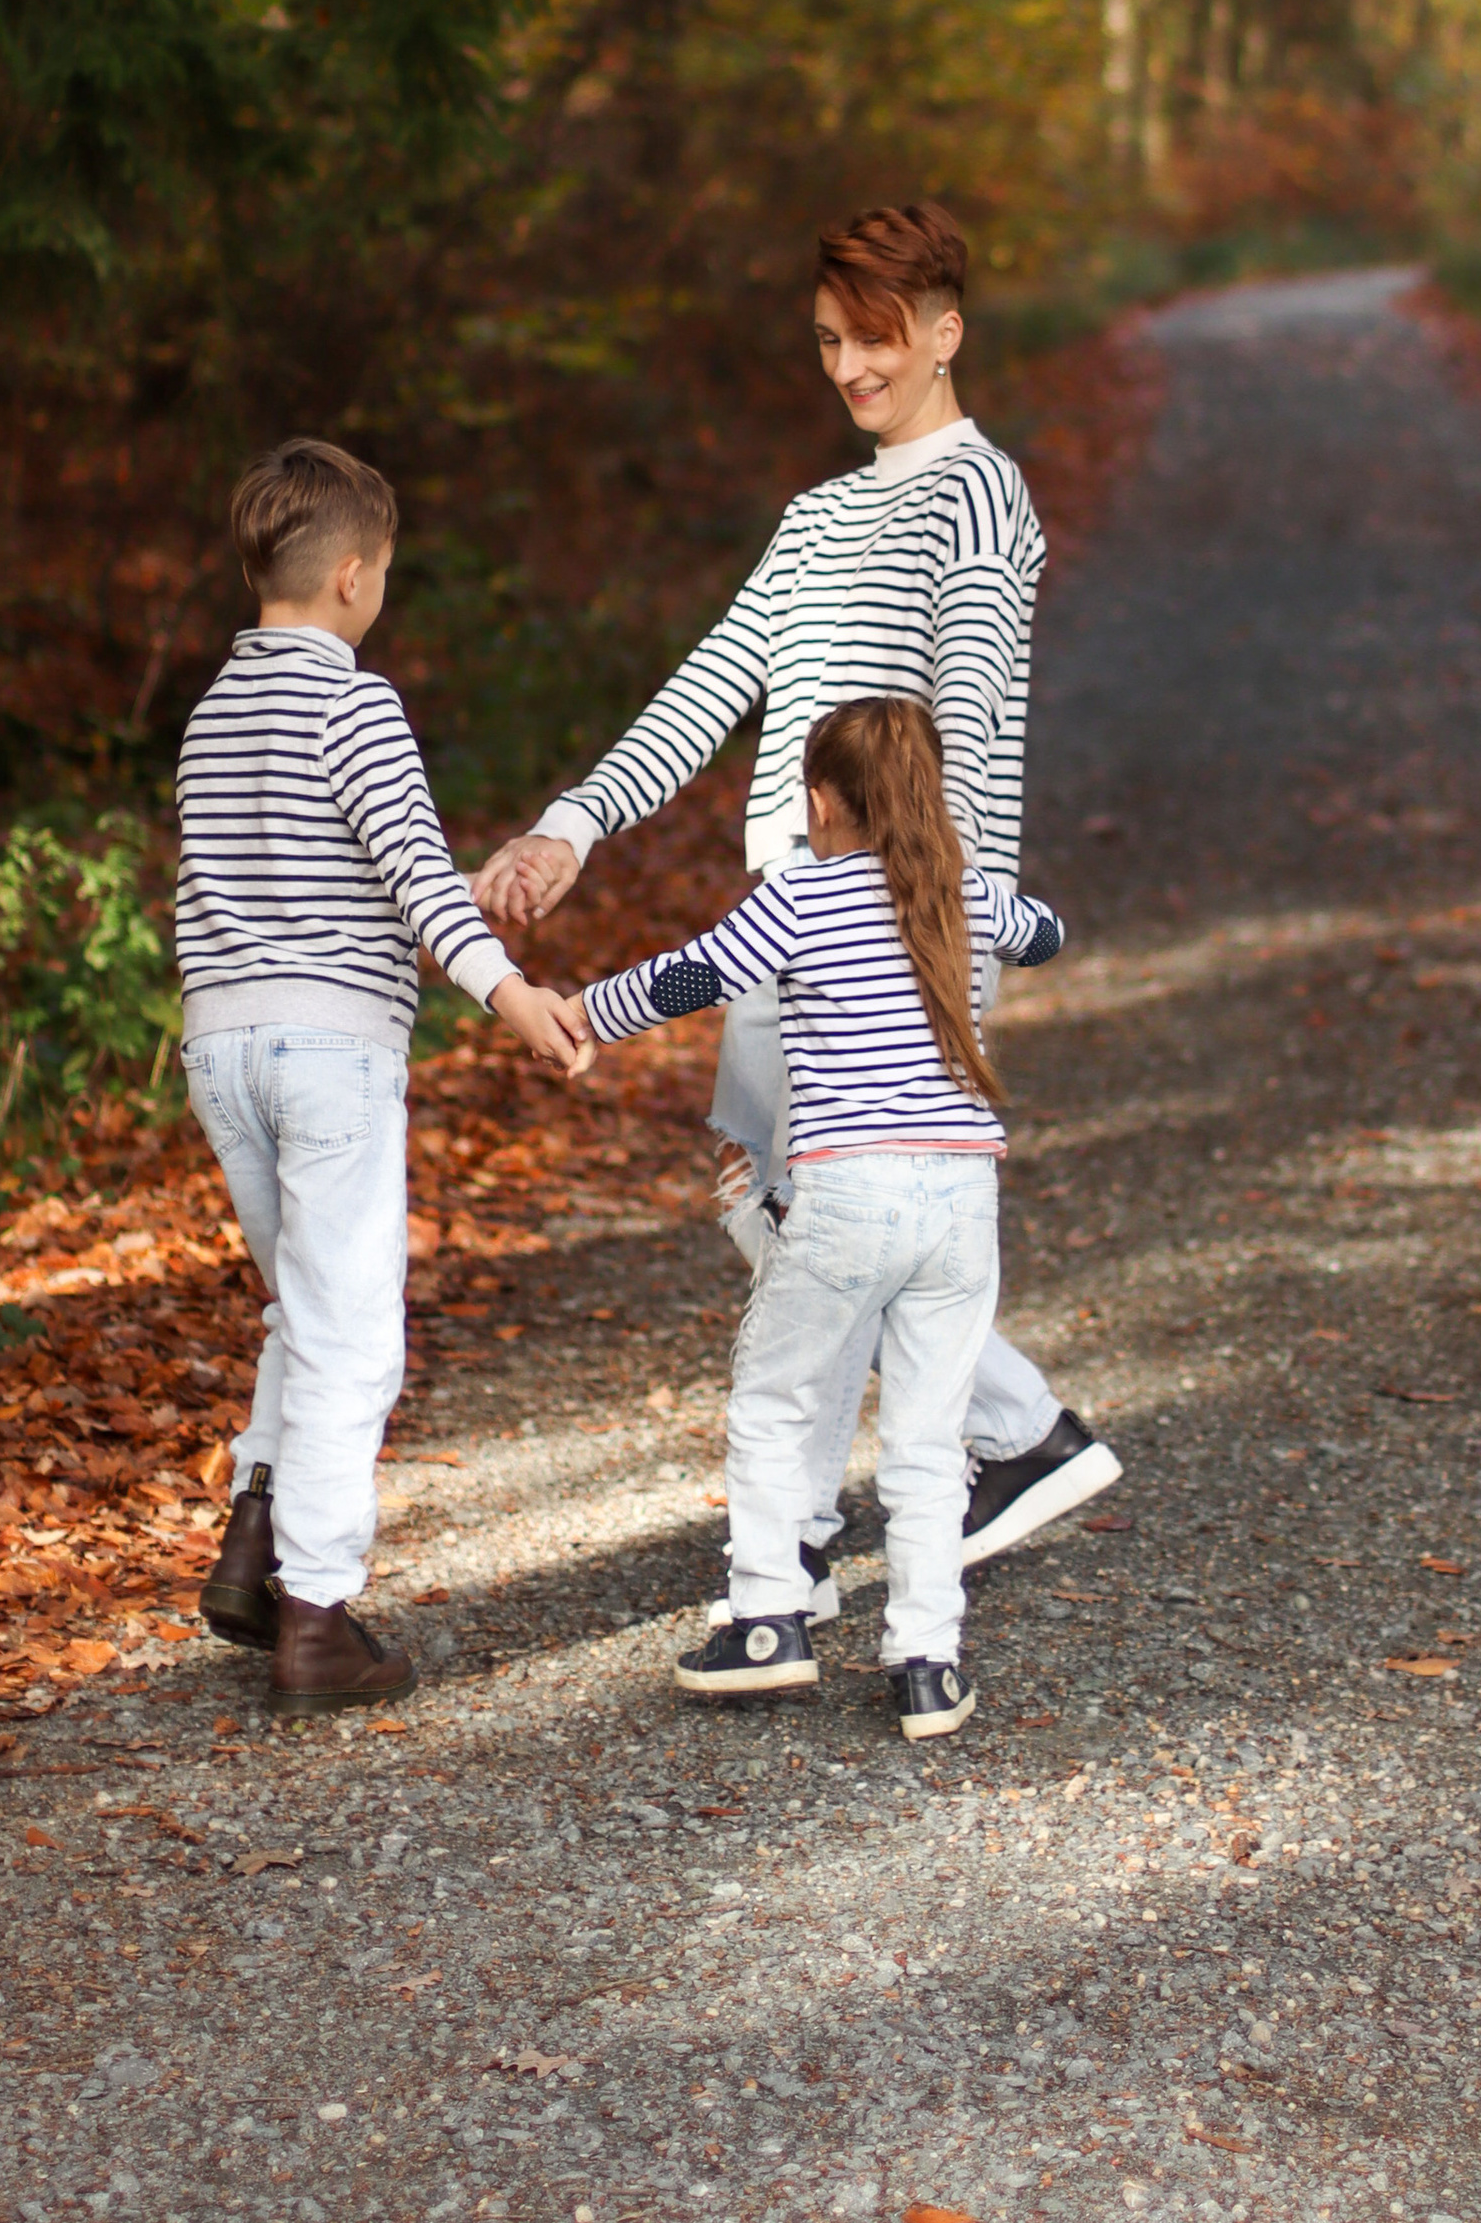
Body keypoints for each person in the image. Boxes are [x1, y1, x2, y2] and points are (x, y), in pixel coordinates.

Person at [471, 200, 1117, 1586]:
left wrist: (938, 914)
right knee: (779, 1206)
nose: (850, 367)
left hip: (904, 920)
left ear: (944, 333)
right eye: (828, 340)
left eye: (875, 338)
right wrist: (574, 825)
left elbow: (964, 724)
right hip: (797, 910)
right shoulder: (817, 517)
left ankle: (855, 1517)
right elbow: (712, 683)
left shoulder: (978, 495)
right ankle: (981, 1454)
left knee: (811, 1213)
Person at [177, 436, 591, 1717]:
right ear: (355, 575)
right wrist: (511, 992)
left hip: (222, 1048)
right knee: (352, 1334)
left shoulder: (213, 710)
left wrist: (461, 896)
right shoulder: (357, 705)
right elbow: (407, 878)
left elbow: (316, 883)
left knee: (300, 1310)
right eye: (388, 571)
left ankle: (254, 1537)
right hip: (330, 1056)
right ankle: (317, 1614)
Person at [577, 698, 1063, 1739]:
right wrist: (998, 905)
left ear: (817, 800)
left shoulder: (802, 894)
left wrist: (579, 1015)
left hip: (849, 1192)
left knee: (775, 1400)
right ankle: (927, 1663)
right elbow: (1047, 935)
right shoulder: (964, 892)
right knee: (928, 1438)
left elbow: (691, 976)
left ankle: (767, 1621)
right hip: (960, 1197)